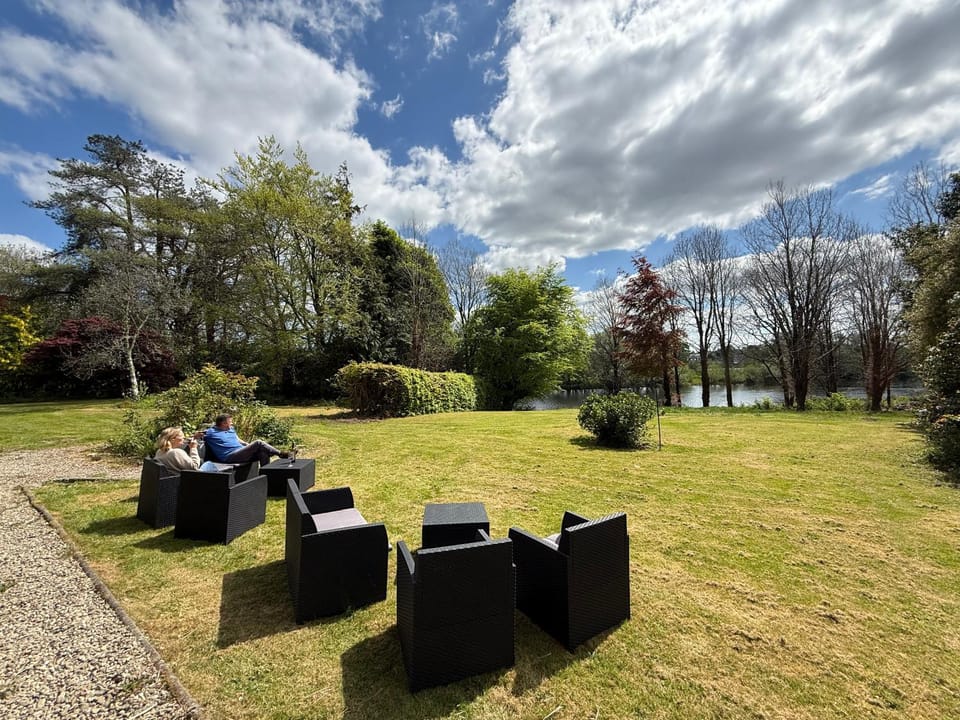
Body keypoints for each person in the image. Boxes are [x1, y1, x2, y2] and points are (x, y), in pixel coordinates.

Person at [203, 413, 286, 466]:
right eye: (230, 422)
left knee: (263, 452)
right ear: (223, 423)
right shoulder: (211, 432)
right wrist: (195, 437)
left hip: (241, 452)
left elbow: (237, 439)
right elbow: (197, 435)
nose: (232, 423)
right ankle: (281, 454)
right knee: (258, 443)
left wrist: (247, 444)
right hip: (229, 456)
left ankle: (266, 477)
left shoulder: (231, 429)